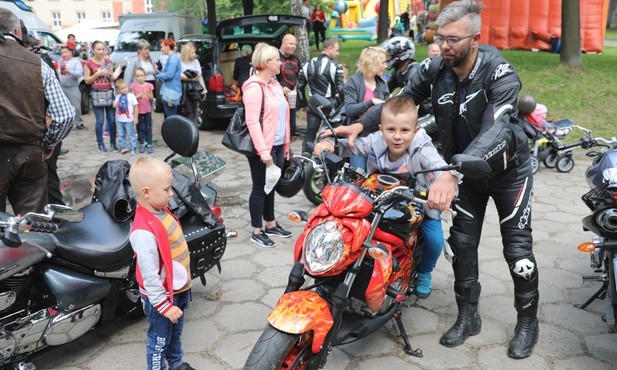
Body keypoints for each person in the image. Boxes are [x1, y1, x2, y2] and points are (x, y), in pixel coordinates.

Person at [334, 0, 539, 359]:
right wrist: (361, 124)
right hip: (463, 175)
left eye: (453, 40)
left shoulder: (500, 72)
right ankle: (467, 316)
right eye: (440, 37)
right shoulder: (434, 68)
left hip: (508, 173)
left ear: (475, 39)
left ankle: (527, 322)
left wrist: (450, 173)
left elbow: (495, 129)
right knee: (461, 245)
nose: (444, 45)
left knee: (517, 250)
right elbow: (401, 100)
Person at [314, 95, 458, 295]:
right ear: (381, 129)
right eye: (391, 129)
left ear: (415, 131)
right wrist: (330, 144)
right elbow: (350, 145)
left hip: (417, 203)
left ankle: (425, 272)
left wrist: (444, 186)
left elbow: (441, 169)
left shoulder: (422, 149)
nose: (397, 136)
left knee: (435, 240)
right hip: (377, 200)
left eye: (405, 130)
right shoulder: (375, 141)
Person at [0, 8, 74, 214]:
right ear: (16, 30)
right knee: (32, 225)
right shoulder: (37, 63)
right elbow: (66, 115)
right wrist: (47, 143)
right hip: (29, 154)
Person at [127, 157, 195, 370]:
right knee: (159, 341)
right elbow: (149, 276)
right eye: (167, 189)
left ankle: (176, 363)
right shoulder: (143, 232)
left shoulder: (159, 210)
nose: (171, 194)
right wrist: (163, 306)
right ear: (146, 192)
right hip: (162, 298)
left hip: (177, 291)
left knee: (175, 334)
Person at [243, 42, 292, 248]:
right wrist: (263, 151)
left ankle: (270, 224)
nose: (281, 62)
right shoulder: (254, 88)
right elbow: (252, 122)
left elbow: (279, 115)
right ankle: (257, 230)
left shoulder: (273, 85)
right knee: (259, 188)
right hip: (263, 148)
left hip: (279, 144)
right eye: (277, 59)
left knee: (271, 185)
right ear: (266, 63)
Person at [343, 46, 389, 170]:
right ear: (372, 62)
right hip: (359, 138)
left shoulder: (382, 84)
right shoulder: (353, 82)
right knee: (359, 176)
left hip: (378, 139)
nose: (386, 66)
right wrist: (371, 102)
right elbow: (350, 110)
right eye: (383, 62)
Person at [297, 37, 345, 154]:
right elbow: (341, 88)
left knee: (310, 134)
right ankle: (329, 161)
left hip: (313, 105)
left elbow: (300, 87)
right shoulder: (335, 66)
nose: (337, 53)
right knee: (331, 134)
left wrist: (303, 102)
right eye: (336, 50)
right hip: (330, 105)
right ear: (329, 49)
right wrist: (344, 104)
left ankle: (305, 161)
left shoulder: (306, 64)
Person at [84, 40, 118, 154]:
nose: (101, 51)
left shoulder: (108, 62)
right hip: (96, 93)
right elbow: (87, 80)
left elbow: (112, 79)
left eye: (103, 49)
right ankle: (101, 144)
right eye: (98, 49)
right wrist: (97, 74)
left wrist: (109, 74)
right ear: (93, 50)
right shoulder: (88, 63)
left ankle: (113, 143)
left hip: (108, 92)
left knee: (112, 120)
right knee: (100, 121)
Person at [276, 34, 301, 139]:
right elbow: (269, 77)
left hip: (292, 95)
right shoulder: (275, 57)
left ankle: (291, 136)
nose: (293, 46)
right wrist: (280, 88)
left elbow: (300, 76)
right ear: (283, 43)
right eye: (291, 43)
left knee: (291, 117)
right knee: (280, 118)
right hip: (277, 95)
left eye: (295, 44)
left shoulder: (296, 59)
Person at [58, 45, 86, 130]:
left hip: (72, 87)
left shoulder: (75, 62)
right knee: (62, 107)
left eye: (66, 52)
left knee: (76, 106)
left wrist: (69, 71)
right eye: (62, 52)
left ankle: (79, 123)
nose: (64, 54)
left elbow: (79, 74)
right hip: (62, 86)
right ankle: (64, 124)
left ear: (70, 52)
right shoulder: (60, 61)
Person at [179, 42, 205, 125]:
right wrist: (193, 78)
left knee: (195, 108)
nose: (194, 54)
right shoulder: (180, 62)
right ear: (187, 53)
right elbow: (180, 76)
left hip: (194, 88)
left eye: (194, 52)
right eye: (192, 52)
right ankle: (190, 128)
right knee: (188, 109)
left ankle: (192, 127)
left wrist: (189, 77)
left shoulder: (196, 61)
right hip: (184, 87)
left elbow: (199, 74)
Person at [130, 67, 155, 154]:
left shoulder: (149, 86)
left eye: (141, 75)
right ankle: (141, 143)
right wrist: (138, 95)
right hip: (138, 111)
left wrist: (149, 95)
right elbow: (132, 99)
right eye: (138, 76)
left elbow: (152, 98)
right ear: (135, 77)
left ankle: (149, 144)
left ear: (145, 76)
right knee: (140, 127)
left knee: (148, 126)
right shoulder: (133, 86)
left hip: (147, 109)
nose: (140, 77)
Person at [112, 79, 138, 155]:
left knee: (131, 134)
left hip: (129, 119)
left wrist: (135, 117)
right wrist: (114, 103)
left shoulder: (131, 96)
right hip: (120, 120)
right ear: (118, 90)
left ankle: (133, 148)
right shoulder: (118, 96)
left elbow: (136, 106)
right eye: (122, 88)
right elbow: (114, 105)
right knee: (121, 134)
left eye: (125, 87)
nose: (124, 89)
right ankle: (123, 147)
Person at [157, 38, 182, 118]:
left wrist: (158, 75)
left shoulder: (173, 59)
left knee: (171, 117)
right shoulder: (172, 58)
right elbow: (166, 74)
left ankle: (173, 130)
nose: (161, 49)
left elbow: (169, 75)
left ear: (167, 46)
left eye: (162, 47)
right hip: (170, 91)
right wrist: (157, 71)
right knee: (170, 116)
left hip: (171, 92)